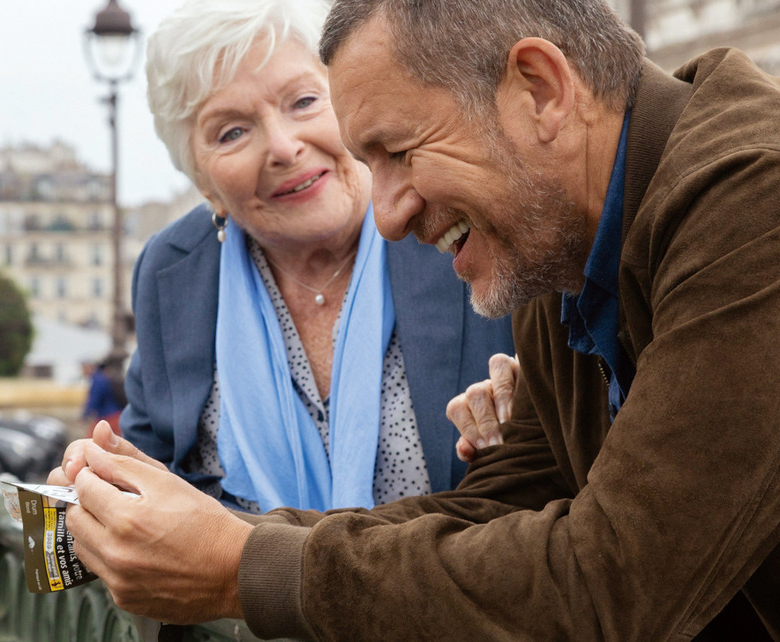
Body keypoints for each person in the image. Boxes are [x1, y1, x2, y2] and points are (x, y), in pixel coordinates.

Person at [50, 0, 780, 638]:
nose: (388, 214)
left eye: (398, 152)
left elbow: (612, 583)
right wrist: (207, 541)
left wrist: (239, 568)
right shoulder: (559, 238)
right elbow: (498, 511)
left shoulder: (755, 202)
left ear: (541, 89)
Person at [115, 0, 513, 514]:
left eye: (303, 101)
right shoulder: (174, 272)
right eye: (231, 132)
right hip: (240, 596)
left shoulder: (457, 216)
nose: (283, 146)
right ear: (203, 184)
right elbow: (152, 474)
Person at [81, 354, 126, 437]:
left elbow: (94, 399)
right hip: (116, 415)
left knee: (93, 441)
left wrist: (85, 414)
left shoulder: (97, 379)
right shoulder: (103, 377)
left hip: (108, 416)